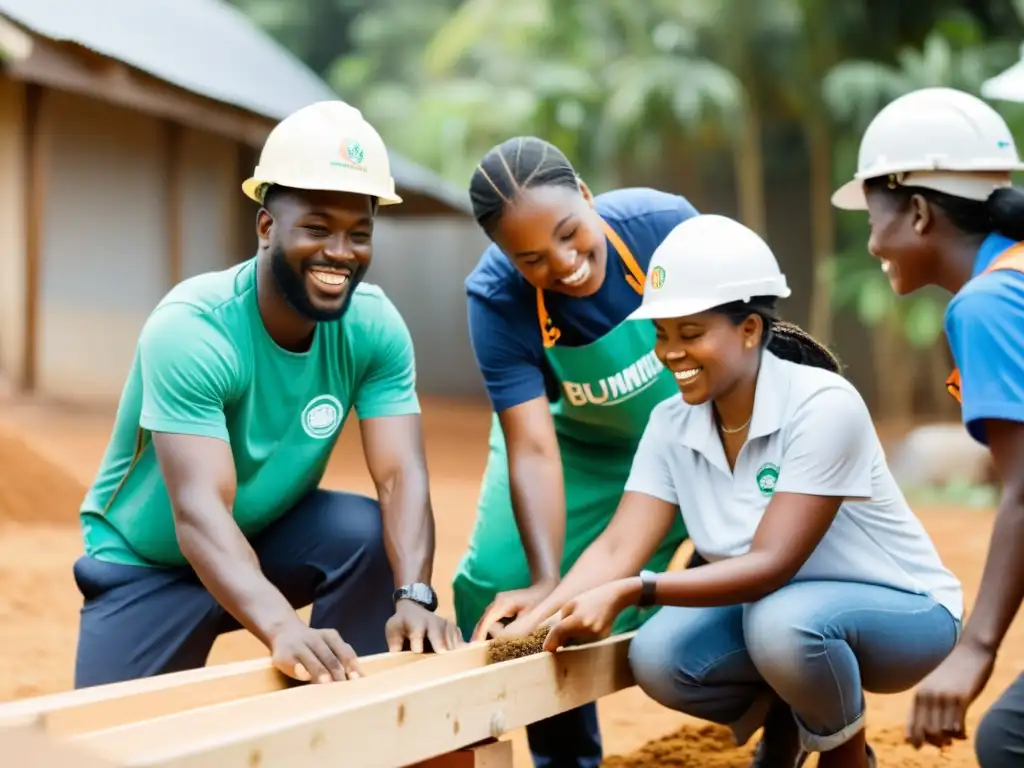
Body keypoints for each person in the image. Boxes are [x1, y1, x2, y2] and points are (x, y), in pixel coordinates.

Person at [502, 214, 965, 768]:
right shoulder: (672, 423)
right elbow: (617, 546)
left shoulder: (823, 406)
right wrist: (537, 621)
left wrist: (633, 591)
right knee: (660, 655)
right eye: (662, 334)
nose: (670, 353)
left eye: (691, 334)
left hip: (905, 613)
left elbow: (771, 564)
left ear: (749, 330)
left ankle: (847, 757)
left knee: (782, 624)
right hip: (781, 616)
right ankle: (787, 724)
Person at [71, 101, 462, 690]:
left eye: (360, 233)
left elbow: (399, 474)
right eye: (317, 228)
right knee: (108, 744)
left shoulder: (373, 326)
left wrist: (414, 595)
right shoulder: (193, 327)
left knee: (363, 534)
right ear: (265, 227)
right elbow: (198, 512)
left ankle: (343, 724)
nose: (341, 252)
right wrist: (282, 627)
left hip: (270, 536)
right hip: (147, 566)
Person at [454, 136, 699, 768]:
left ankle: (797, 729)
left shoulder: (664, 227)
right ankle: (565, 760)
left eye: (570, 233)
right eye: (530, 257)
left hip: (694, 438)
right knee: (498, 586)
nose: (563, 264)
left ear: (589, 197)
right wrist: (544, 578)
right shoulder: (495, 297)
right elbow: (532, 447)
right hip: (579, 452)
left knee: (753, 562)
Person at [831, 85, 1024, 768]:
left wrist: (973, 650)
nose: (870, 240)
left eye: (871, 216)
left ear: (916, 212)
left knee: (1010, 742)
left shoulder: (990, 303)